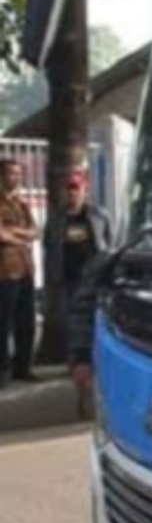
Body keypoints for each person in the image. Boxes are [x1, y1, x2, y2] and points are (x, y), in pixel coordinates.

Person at [45, 171, 111, 408]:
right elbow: (48, 248)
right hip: (70, 282)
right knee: (75, 326)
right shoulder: (57, 219)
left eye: (77, 188)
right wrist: (52, 277)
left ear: (85, 190)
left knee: (98, 323)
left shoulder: (98, 216)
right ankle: (78, 368)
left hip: (96, 281)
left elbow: (110, 245)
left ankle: (96, 367)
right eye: (69, 189)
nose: (73, 193)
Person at [0, 159, 38, 388]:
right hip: (5, 270)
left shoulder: (22, 204)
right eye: (11, 173)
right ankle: (2, 369)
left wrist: (15, 233)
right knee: (4, 323)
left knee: (27, 321)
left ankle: (22, 367)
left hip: (25, 268)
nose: (15, 178)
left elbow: (35, 231)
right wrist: (19, 237)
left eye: (18, 174)